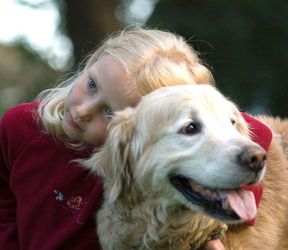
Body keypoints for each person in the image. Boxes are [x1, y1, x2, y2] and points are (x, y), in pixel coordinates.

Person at [0, 27, 219, 250]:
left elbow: (250, 136)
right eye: (92, 85)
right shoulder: (21, 128)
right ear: (92, 62)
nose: (83, 111)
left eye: (110, 113)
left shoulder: (140, 170)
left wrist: (212, 230)